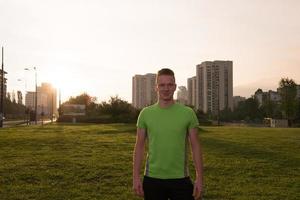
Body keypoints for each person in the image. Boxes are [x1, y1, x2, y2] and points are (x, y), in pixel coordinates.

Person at [133, 68, 203, 200]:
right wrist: (136, 177)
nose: (166, 88)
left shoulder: (188, 113)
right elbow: (139, 147)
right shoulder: (145, 114)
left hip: (181, 179)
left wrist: (200, 178)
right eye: (162, 85)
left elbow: (196, 147)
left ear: (175, 87)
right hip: (152, 179)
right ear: (156, 87)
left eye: (170, 84)